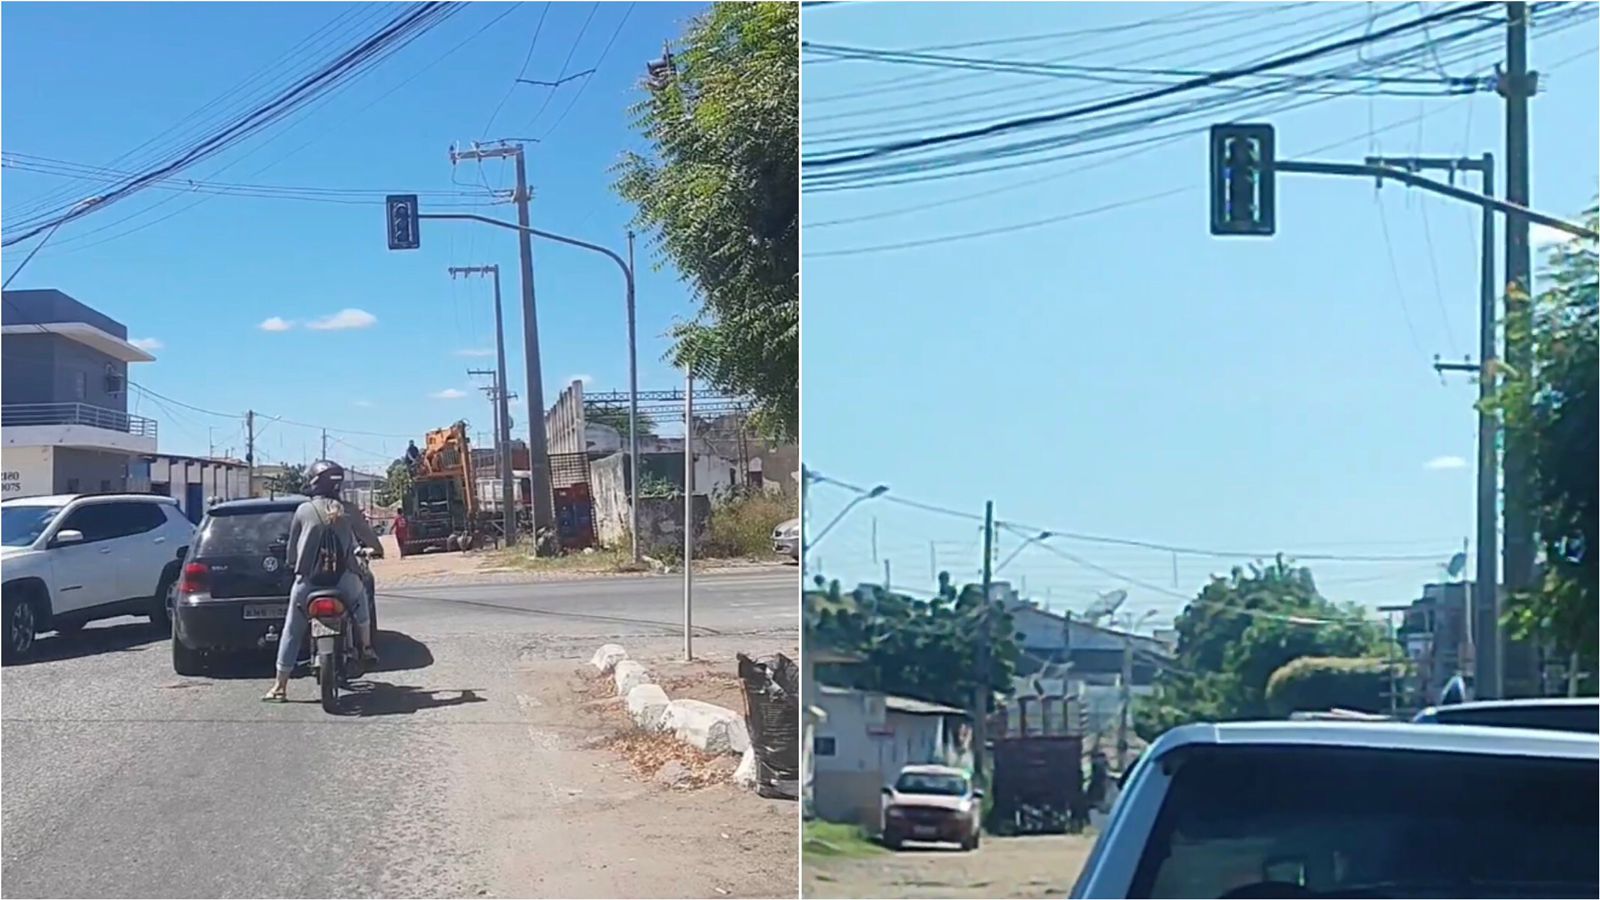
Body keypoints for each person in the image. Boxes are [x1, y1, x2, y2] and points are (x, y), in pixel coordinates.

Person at [263, 459, 384, 702]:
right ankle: (367, 647)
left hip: (308, 582)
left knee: (292, 628)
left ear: (314, 483)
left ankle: (280, 686)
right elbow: (370, 539)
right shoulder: (348, 510)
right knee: (361, 601)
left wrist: (294, 564)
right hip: (343, 579)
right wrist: (377, 550)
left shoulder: (303, 510)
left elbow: (292, 551)